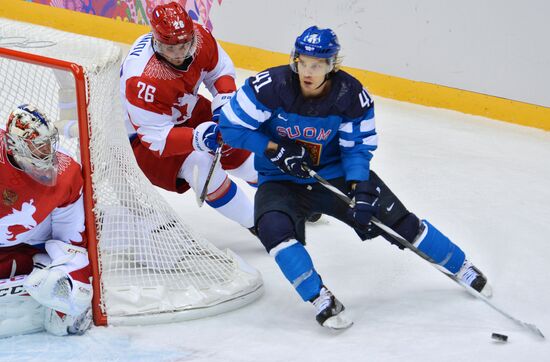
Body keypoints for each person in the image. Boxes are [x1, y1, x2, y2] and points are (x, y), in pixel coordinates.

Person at [219, 26, 492, 329]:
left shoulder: (350, 95)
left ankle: (460, 266)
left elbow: (356, 148)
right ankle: (320, 297)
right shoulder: (270, 86)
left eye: (318, 64)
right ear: (294, 59)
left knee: (400, 222)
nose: (308, 71)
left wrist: (360, 186)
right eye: (303, 62)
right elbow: (230, 127)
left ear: (332, 64)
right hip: (279, 180)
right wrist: (273, 148)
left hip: (334, 175)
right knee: (272, 230)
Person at [120, 2, 256, 232]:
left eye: (184, 45)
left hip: (183, 107)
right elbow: (156, 139)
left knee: (237, 143)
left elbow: (219, 69)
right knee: (201, 166)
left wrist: (223, 102)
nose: (179, 54)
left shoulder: (200, 37)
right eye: (170, 48)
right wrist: (197, 138)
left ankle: (285, 196)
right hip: (139, 140)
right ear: (156, 40)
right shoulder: (142, 79)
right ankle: (261, 223)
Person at [0, 104, 93, 337]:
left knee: (68, 306)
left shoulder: (66, 172)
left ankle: (43, 268)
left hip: (27, 245)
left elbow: (71, 239)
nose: (46, 153)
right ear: (13, 146)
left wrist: (70, 275)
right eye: (36, 147)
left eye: (47, 144)